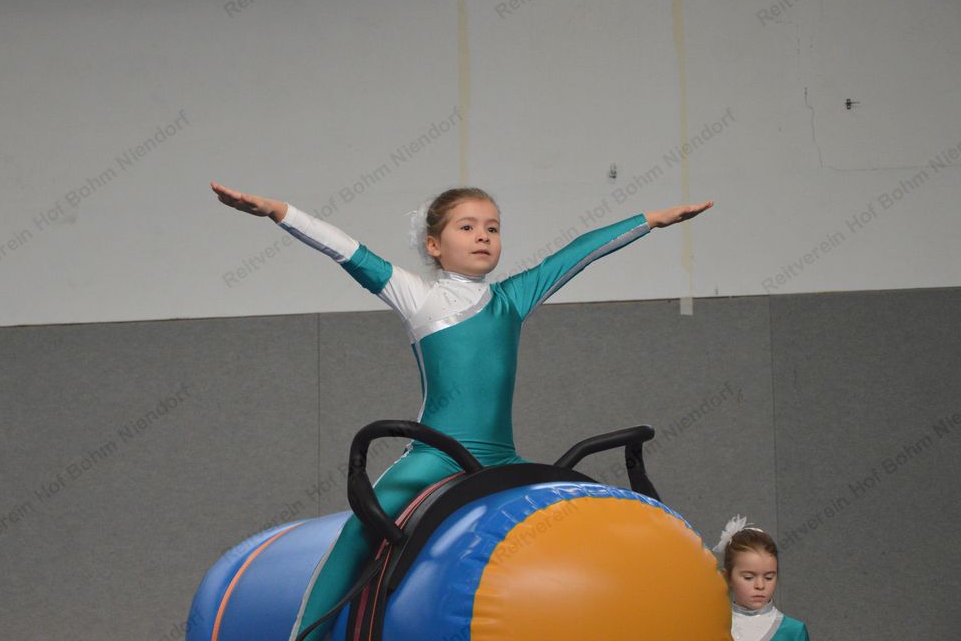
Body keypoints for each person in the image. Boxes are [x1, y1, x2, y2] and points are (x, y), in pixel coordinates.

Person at [211, 180, 712, 641]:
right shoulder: (419, 296)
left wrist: (650, 220)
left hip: (503, 458)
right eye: (467, 227)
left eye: (493, 228)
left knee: (586, 505)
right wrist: (277, 210)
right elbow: (345, 249)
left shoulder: (512, 299)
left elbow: (576, 254)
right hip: (435, 456)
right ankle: (305, 636)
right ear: (434, 244)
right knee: (358, 532)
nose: (483, 236)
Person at [713, 515, 810, 641]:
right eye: (748, 577)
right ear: (727, 577)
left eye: (769, 577)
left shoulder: (793, 632)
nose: (760, 585)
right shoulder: (712, 627)